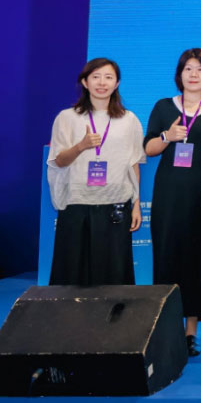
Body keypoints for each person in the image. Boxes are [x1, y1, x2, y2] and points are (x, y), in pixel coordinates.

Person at [145, 48, 201, 357]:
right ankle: (165, 327)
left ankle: (190, 333)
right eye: (188, 68)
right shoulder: (164, 106)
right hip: (169, 195)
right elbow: (148, 149)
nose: (194, 74)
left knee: (196, 260)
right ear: (180, 73)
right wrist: (167, 136)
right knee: (167, 256)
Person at [47, 58, 144, 287]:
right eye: (96, 77)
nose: (102, 83)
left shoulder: (129, 119)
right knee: (72, 274)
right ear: (85, 82)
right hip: (76, 203)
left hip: (115, 204)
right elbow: (58, 161)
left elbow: (134, 164)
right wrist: (81, 146)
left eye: (109, 77)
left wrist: (136, 204)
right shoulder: (67, 117)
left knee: (113, 276)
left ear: (117, 83)